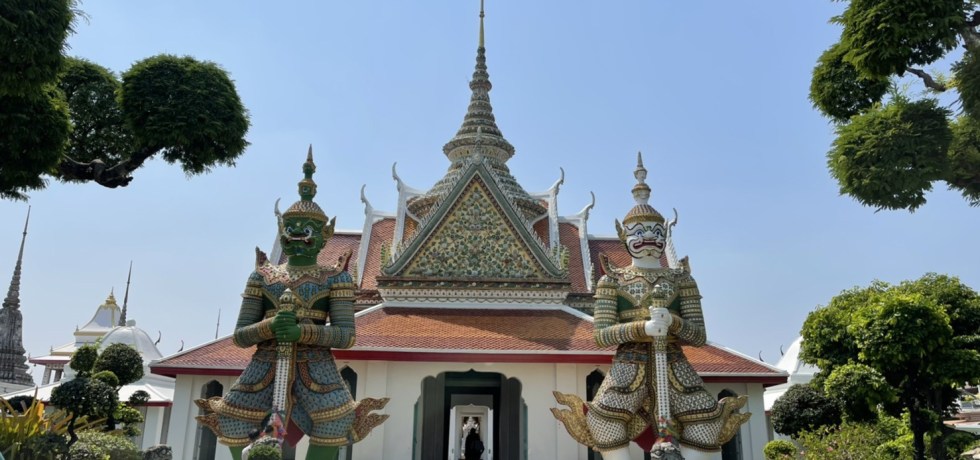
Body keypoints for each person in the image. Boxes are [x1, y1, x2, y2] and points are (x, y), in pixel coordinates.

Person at [195, 148, 388, 460]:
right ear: (281, 230)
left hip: (317, 367)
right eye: (290, 228)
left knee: (335, 423)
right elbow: (241, 336)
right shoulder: (263, 277)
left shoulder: (335, 278)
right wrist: (270, 326)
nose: (297, 234)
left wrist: (303, 333)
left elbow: (346, 336)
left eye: (306, 229)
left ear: (325, 235)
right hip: (265, 363)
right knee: (232, 419)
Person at [554, 154, 750, 460]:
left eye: (657, 232)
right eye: (639, 232)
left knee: (706, 424)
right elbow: (601, 335)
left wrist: (673, 323)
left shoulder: (681, 280)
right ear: (624, 236)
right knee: (603, 423)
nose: (649, 238)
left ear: (665, 235)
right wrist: (642, 328)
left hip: (672, 362)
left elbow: (699, 336)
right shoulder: (612, 280)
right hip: (628, 364)